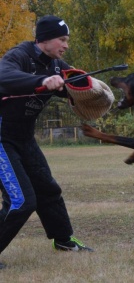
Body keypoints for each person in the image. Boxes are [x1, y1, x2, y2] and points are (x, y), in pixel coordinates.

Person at [0, 15, 93, 269]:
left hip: (24, 138)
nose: (66, 45)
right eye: (61, 39)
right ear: (44, 40)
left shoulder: (56, 65)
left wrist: (89, 88)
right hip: (1, 138)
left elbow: (76, 84)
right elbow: (3, 76)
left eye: (67, 40)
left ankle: (63, 240)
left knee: (47, 190)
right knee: (21, 202)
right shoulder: (19, 55)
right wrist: (40, 82)